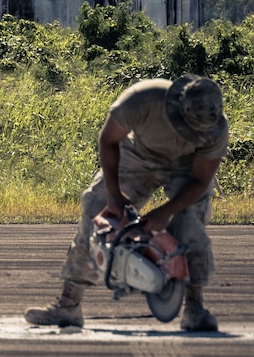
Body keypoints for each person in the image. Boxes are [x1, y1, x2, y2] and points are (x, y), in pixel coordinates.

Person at [24, 75, 228, 331]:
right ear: (177, 108)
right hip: (139, 156)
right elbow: (108, 140)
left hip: (187, 168)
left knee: (190, 223)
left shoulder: (217, 130)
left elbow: (199, 180)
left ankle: (194, 308)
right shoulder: (143, 99)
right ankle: (68, 304)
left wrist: (166, 212)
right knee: (95, 205)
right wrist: (113, 194)